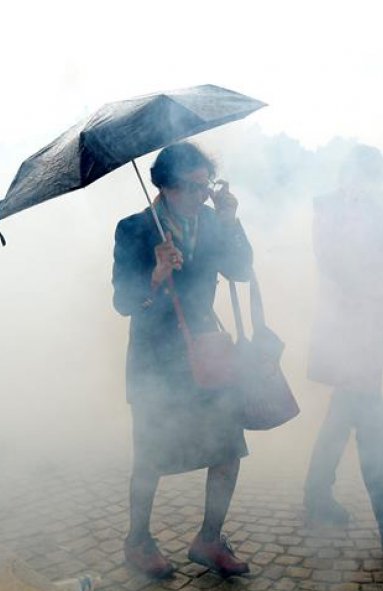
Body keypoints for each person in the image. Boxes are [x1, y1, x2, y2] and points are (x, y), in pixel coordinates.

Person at [112, 142, 253, 578]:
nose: (202, 195)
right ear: (167, 186)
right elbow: (122, 301)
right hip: (156, 361)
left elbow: (242, 270)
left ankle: (209, 538)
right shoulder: (135, 228)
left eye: (206, 185)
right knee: (150, 458)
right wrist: (154, 276)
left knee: (228, 450)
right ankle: (138, 541)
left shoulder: (212, 221)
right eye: (192, 187)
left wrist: (231, 222)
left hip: (206, 352)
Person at [304, 144, 383, 560]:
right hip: (349, 340)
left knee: (342, 418)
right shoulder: (329, 215)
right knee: (374, 434)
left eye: (373, 179)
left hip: (371, 339)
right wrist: (375, 220)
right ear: (345, 178)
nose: (365, 186)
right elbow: (339, 264)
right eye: (360, 177)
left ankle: (316, 494)